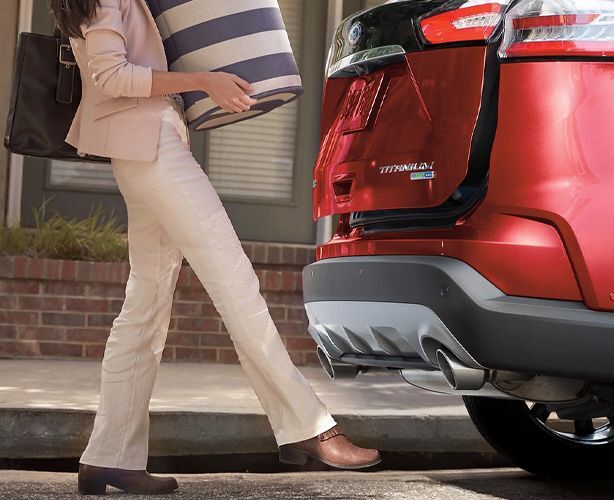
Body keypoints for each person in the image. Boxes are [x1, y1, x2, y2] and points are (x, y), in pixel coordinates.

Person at [48, 0, 381, 495]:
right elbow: (110, 75)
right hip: (150, 148)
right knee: (234, 281)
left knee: (145, 306)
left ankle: (109, 457)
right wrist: (203, 80)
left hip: (146, 145)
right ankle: (310, 428)